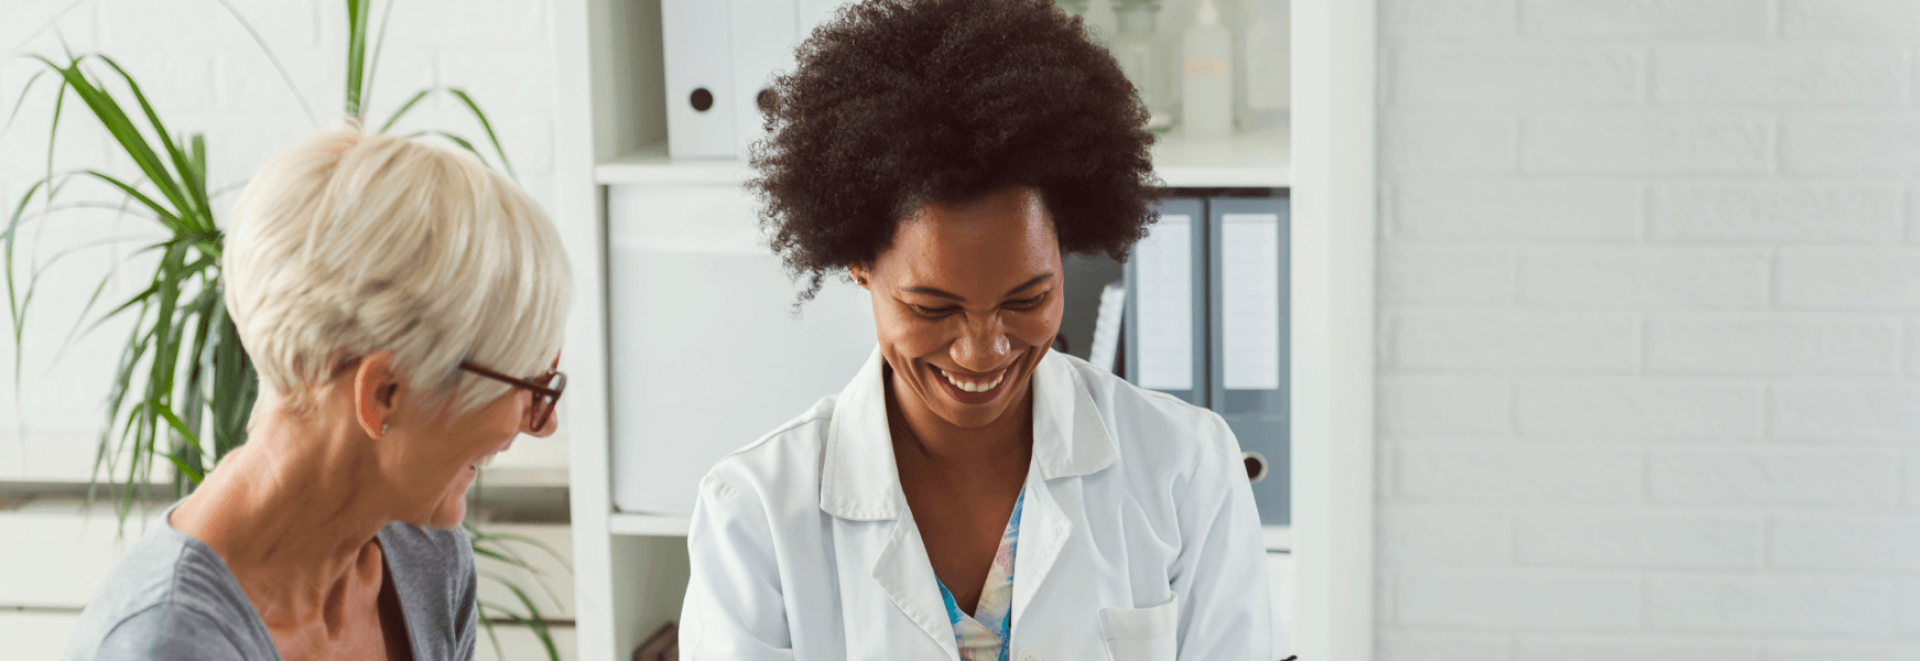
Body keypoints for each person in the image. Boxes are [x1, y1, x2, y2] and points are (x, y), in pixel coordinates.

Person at [677, 1, 1272, 659]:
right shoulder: (755, 513)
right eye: (934, 307)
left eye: (1027, 297)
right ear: (858, 264)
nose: (982, 348)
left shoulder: (1186, 469)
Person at [63, 124, 571, 661]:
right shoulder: (165, 645)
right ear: (385, 395)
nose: (541, 422)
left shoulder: (428, 560)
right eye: (526, 384)